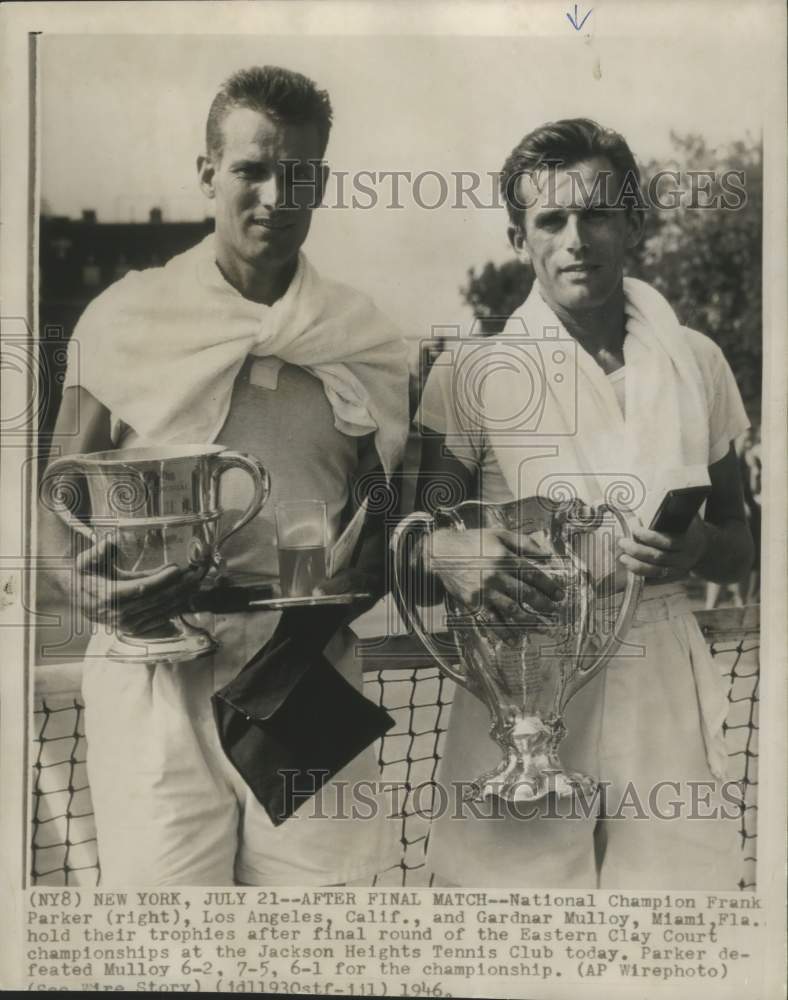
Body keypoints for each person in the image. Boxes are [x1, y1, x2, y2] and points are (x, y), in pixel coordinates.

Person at [40, 65, 410, 886]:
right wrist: (88, 591)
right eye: (252, 169)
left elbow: (379, 517)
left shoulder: (362, 334)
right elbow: (56, 494)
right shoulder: (125, 317)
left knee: (319, 949)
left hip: (303, 666)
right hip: (151, 673)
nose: (277, 195)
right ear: (207, 171)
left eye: (301, 174)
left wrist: (350, 581)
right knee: (169, 952)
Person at [414, 119, 753, 889]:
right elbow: (418, 544)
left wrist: (699, 547)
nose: (577, 238)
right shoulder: (470, 372)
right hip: (522, 674)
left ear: (631, 219)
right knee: (513, 943)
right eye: (552, 219)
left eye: (598, 213)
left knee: (674, 938)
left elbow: (743, 539)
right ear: (517, 235)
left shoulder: (697, 360)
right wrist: (454, 553)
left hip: (662, 664)